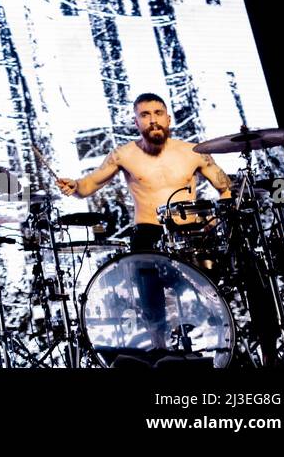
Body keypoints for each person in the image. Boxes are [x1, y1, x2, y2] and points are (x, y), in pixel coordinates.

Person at [57, 92, 233, 350]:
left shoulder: (193, 152)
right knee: (151, 301)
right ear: (136, 122)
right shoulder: (123, 155)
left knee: (212, 292)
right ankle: (161, 352)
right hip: (148, 232)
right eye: (145, 115)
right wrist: (74, 185)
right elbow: (88, 185)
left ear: (168, 118)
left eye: (158, 113)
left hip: (191, 233)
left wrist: (214, 222)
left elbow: (225, 187)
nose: (153, 120)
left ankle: (219, 347)